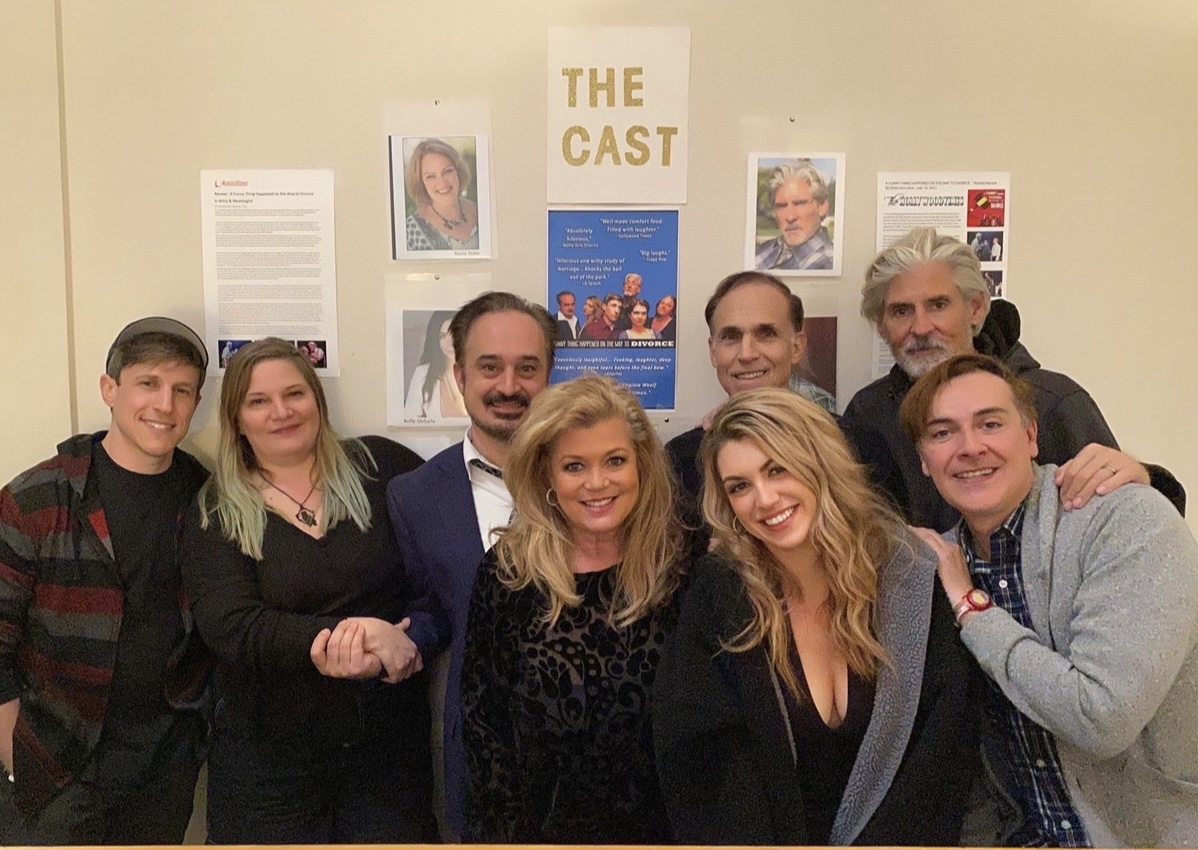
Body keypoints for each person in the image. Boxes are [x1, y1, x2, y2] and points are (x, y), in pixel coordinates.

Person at [654, 389, 980, 845]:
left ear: (819, 462)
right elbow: (704, 764)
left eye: (778, 469)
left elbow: (940, 762)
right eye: (740, 486)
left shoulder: (909, 576)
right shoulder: (722, 592)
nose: (764, 500)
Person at [902, 354, 1198, 847]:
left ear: (1031, 436)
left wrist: (971, 609)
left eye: (990, 423)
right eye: (942, 433)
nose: (970, 447)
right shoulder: (937, 565)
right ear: (924, 461)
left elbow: (1102, 718)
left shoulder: (1124, 520)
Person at [181, 338, 436, 843]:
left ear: (317, 401)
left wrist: (415, 641)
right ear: (236, 418)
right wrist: (356, 638)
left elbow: (437, 581)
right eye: (258, 401)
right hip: (267, 767)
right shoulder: (216, 509)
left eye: (294, 393)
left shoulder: (382, 467)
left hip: (387, 761)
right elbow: (232, 626)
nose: (281, 412)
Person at [0, 317, 210, 845]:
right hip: (55, 766)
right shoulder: (37, 497)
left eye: (182, 390)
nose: (165, 405)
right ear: (109, 389)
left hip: (163, 767)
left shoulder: (208, 502)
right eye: (148, 383)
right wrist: (15, 755)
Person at [461, 374, 687, 843]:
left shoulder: (685, 564)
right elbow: (486, 732)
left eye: (615, 460)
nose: (597, 483)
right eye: (574, 466)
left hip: (672, 832)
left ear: (641, 464)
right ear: (546, 473)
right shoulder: (510, 573)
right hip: (546, 834)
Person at [842, 226, 1184, 531]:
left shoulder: (1052, 400)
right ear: (882, 325)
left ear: (975, 308)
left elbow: (1140, 522)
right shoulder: (867, 416)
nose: (920, 328)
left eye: (938, 305)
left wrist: (1145, 479)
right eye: (901, 311)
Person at [387, 291, 556, 840]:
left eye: (527, 368)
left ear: (549, 374)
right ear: (459, 375)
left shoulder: (597, 478)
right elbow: (431, 608)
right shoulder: (414, 495)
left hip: (594, 748)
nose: (509, 386)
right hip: (477, 753)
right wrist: (401, 640)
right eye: (490, 367)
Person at [666, 272, 823, 528]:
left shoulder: (852, 446)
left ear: (796, 347)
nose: (747, 353)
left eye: (766, 334)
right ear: (713, 351)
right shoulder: (680, 460)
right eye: (731, 337)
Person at [754, 160, 835, 272]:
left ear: (822, 207)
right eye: (781, 206)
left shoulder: (829, 263)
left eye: (799, 204)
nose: (790, 217)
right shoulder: (761, 251)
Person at [404, 138, 480, 252]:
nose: (442, 183)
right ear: (421, 183)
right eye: (430, 176)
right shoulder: (410, 231)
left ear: (458, 171)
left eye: (447, 171)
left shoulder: (483, 212)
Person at [404, 310, 467, 419]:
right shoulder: (422, 373)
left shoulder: (479, 372)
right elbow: (410, 418)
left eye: (455, 333)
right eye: (442, 336)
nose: (449, 343)